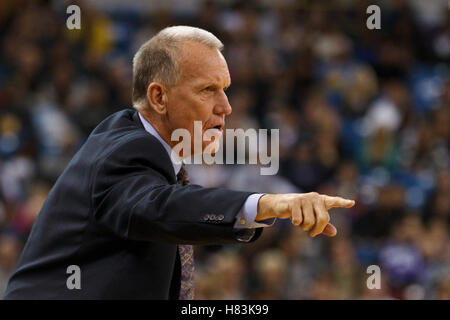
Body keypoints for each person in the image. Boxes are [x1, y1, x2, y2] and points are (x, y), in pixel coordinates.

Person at [4, 26, 355, 299]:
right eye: (208, 90)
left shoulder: (143, 149)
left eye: (226, 88)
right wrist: (267, 203)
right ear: (158, 97)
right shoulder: (124, 152)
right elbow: (159, 207)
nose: (225, 107)